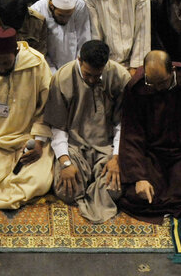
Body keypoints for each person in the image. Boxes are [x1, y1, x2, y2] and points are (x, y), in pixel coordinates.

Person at [0, 26, 54, 209]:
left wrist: (38, 141)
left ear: (16, 52)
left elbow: (46, 108)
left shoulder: (37, 65)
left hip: (28, 140)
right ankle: (11, 184)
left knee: (41, 182)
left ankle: (9, 185)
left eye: (6, 63)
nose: (0, 67)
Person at [118, 50, 181, 219]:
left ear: (172, 72)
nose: (157, 88)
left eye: (162, 82)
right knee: (134, 194)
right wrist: (139, 177)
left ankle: (166, 206)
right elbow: (131, 134)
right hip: (151, 154)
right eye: (151, 83)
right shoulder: (137, 87)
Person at [44, 40, 130, 223]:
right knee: (66, 191)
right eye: (88, 74)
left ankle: (94, 183)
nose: (92, 80)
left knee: (114, 191)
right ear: (79, 60)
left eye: (97, 76)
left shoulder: (120, 77)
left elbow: (122, 124)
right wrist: (65, 163)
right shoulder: (62, 78)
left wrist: (116, 158)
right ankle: (90, 184)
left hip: (106, 148)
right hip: (74, 147)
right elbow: (58, 128)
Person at [75, 0, 151, 73]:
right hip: (106, 62)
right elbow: (95, 33)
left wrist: (135, 67)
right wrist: (100, 65)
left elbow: (142, 30)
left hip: (133, 58)